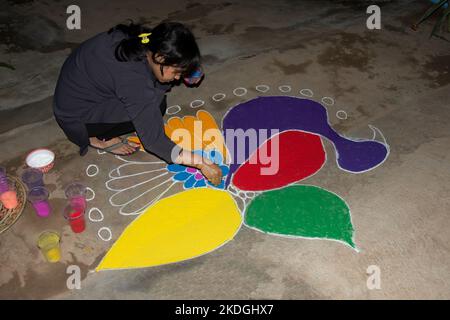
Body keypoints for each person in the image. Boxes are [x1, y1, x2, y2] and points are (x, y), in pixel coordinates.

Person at [53, 21, 222, 185]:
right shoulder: (132, 79)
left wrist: (186, 69)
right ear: (160, 57)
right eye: (177, 72)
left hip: (77, 95)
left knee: (155, 94)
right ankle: (97, 139)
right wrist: (200, 163)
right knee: (157, 104)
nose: (178, 78)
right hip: (77, 117)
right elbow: (154, 140)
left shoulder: (146, 39)